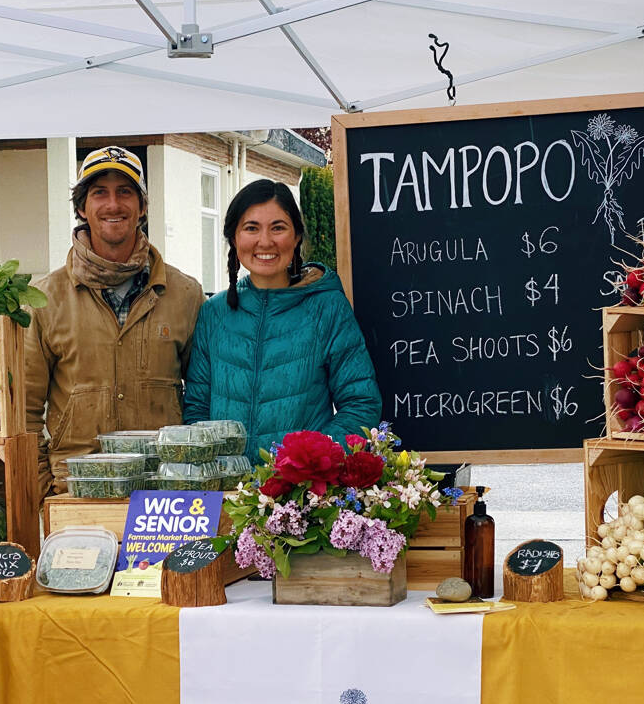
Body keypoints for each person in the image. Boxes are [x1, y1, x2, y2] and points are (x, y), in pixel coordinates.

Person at [25, 146, 204, 495]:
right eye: (99, 193)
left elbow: (201, 401)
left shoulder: (185, 294)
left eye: (125, 191)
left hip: (162, 492)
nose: (113, 204)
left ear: (143, 206)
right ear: (81, 207)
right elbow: (25, 415)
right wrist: (44, 491)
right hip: (73, 491)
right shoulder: (44, 298)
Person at [183, 178, 381, 456]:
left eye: (278, 228)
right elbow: (196, 409)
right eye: (251, 228)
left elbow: (361, 405)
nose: (265, 241)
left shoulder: (327, 307)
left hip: (299, 494)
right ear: (233, 238)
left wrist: (309, 463)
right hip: (227, 494)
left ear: (297, 236)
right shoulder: (214, 313)